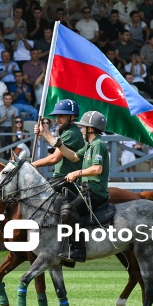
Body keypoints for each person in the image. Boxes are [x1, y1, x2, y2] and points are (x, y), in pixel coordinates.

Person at [39, 110, 109, 263]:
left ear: (91, 128)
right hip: (86, 189)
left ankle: (78, 250)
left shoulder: (98, 144)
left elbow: (97, 169)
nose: (82, 130)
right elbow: (73, 156)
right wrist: (58, 143)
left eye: (84, 127)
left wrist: (77, 173)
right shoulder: (90, 145)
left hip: (96, 191)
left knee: (69, 210)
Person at [0, 93, 18, 158]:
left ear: (12, 100)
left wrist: (13, 118)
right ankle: (5, 155)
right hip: (1, 127)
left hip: (12, 127)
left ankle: (11, 156)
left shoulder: (15, 109)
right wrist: (5, 118)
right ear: (3, 100)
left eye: (9, 99)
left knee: (14, 138)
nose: (8, 100)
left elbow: (18, 123)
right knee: (3, 136)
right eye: (6, 99)